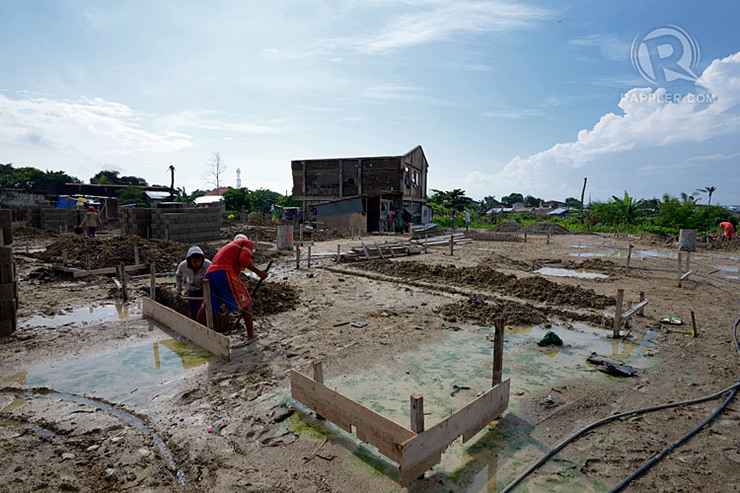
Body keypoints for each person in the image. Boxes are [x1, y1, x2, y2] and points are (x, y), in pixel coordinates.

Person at [196, 234, 268, 338]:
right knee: (246, 301)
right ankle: (251, 335)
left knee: (207, 305)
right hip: (223, 271)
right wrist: (259, 273)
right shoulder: (246, 242)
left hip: (209, 274)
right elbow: (244, 259)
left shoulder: (226, 248)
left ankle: (196, 333)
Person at [174, 246, 211, 319]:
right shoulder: (183, 265)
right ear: (189, 260)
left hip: (205, 290)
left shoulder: (208, 265)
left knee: (205, 311)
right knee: (193, 311)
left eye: (199, 261)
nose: (197, 264)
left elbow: (214, 278)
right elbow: (178, 276)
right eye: (194, 262)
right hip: (192, 289)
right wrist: (178, 291)